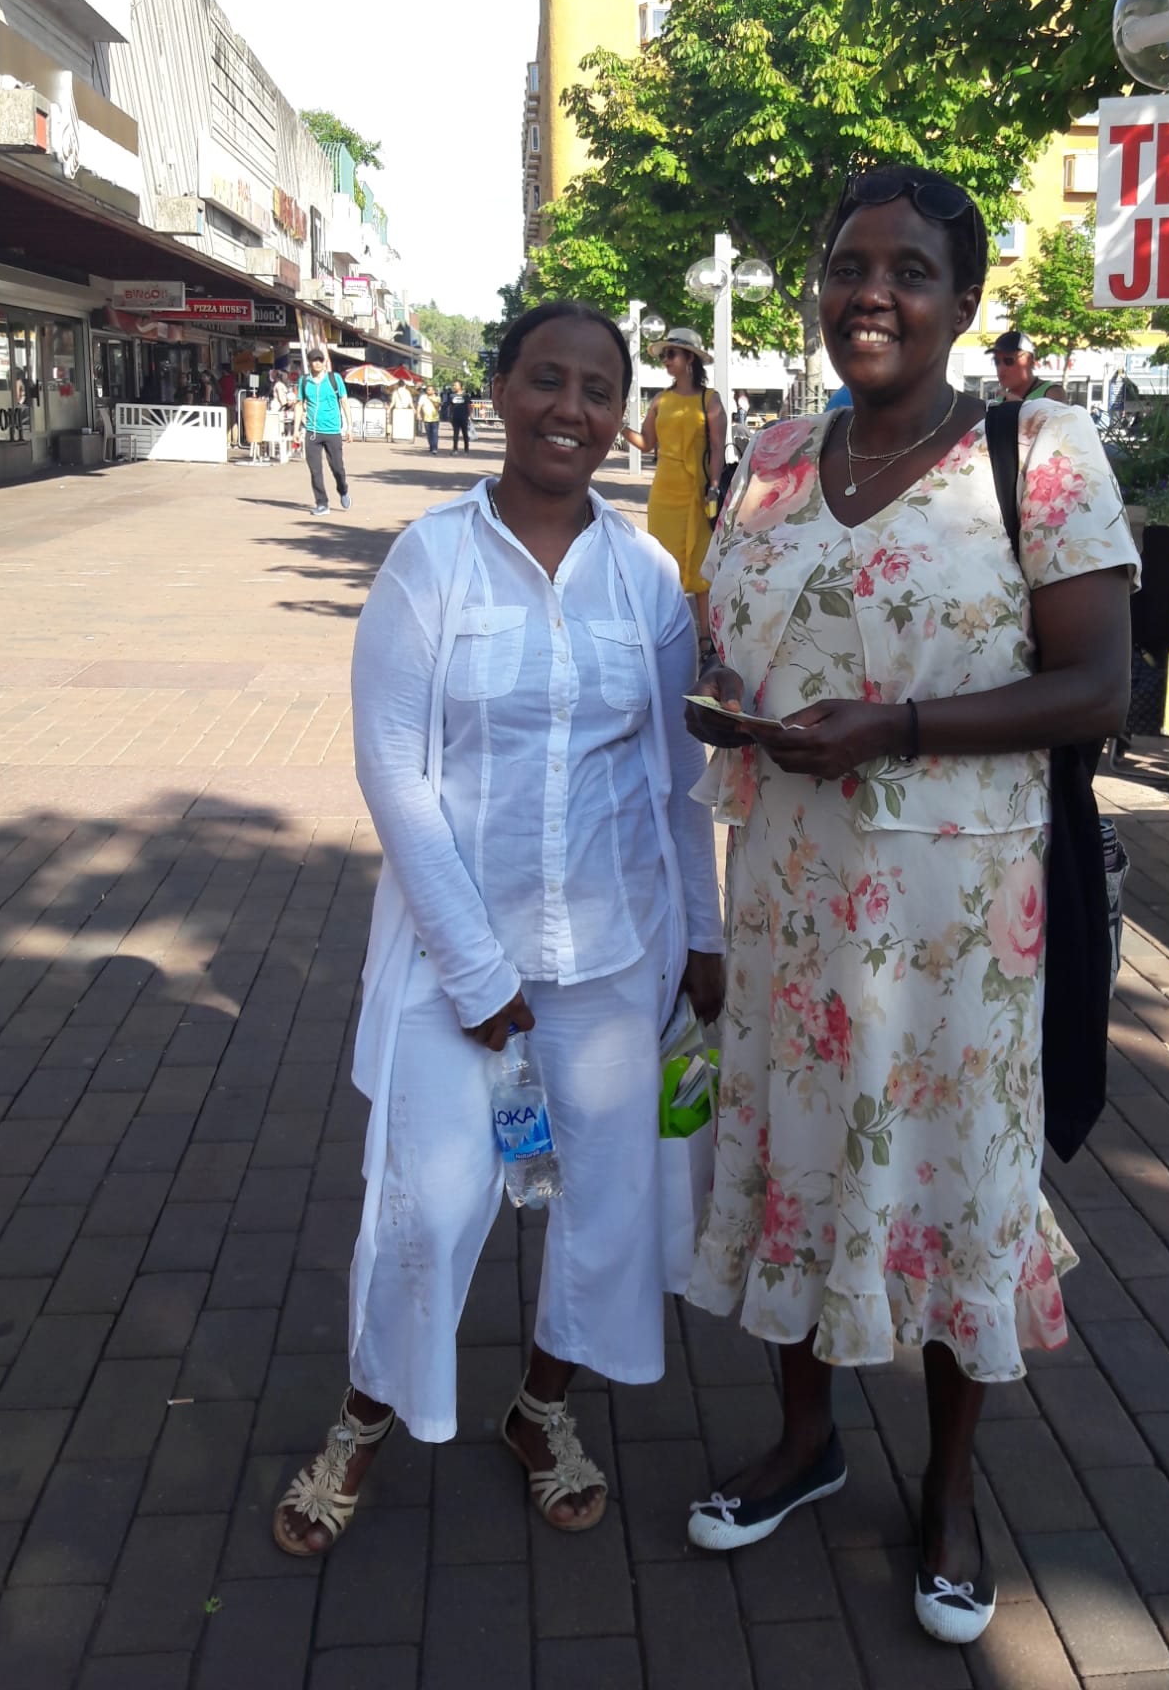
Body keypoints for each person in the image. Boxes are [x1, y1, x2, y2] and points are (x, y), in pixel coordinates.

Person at [681, 164, 1135, 1645]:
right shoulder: (765, 455)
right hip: (795, 897)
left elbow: (1097, 688)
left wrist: (901, 729)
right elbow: (734, 619)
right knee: (796, 1163)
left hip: (956, 921)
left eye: (909, 271)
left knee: (952, 1183)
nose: (869, 292)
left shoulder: (1038, 450)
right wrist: (734, 698)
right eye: (847, 264)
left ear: (961, 300)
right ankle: (806, 1443)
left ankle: (947, 1492)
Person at [271, 300, 723, 1558]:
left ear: (622, 411)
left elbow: (679, 775)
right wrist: (475, 971)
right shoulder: (431, 559)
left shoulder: (646, 579)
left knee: (609, 1203)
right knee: (427, 1202)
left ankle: (540, 1410)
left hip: (616, 956)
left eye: (597, 389)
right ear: (503, 388)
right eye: (546, 381)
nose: (571, 409)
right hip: (451, 957)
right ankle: (363, 1418)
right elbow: (395, 775)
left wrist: (705, 936)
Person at [620, 325, 727, 659]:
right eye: (665, 354)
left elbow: (717, 447)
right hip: (664, 490)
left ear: (690, 359)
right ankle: (664, 630)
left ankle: (706, 637)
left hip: (696, 490)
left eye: (671, 354)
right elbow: (647, 442)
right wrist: (619, 427)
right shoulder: (661, 400)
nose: (666, 360)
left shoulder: (709, 400)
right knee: (662, 560)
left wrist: (713, 487)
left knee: (699, 561)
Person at [298, 350, 352, 516]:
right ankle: (322, 503)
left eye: (320, 360)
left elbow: (344, 401)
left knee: (337, 468)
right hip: (312, 431)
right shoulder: (305, 381)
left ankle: (343, 489)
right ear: (309, 362)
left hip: (332, 431)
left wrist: (349, 427)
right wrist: (295, 430)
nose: (317, 363)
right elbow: (300, 404)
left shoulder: (334, 379)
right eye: (314, 360)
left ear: (325, 361)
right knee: (315, 470)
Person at [992, 328, 1067, 405]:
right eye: (996, 361)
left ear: (1029, 360)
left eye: (1009, 361)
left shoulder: (1052, 393)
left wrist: (1021, 406)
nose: (1001, 368)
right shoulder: (999, 400)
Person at [416, 383, 441, 454]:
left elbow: (437, 407)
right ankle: (431, 446)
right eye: (427, 390)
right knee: (429, 434)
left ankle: (435, 448)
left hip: (435, 419)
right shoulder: (423, 397)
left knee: (435, 434)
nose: (428, 391)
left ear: (433, 391)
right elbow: (419, 405)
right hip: (426, 418)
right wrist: (418, 414)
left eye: (430, 390)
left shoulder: (437, 397)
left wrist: (431, 400)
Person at [449, 380, 472, 453]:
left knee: (465, 433)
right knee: (455, 434)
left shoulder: (465, 395)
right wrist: (450, 415)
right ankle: (455, 449)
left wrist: (470, 415)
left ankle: (466, 449)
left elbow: (469, 406)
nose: (454, 386)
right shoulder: (452, 396)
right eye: (453, 385)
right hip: (455, 417)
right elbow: (450, 406)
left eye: (455, 385)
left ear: (460, 386)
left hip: (464, 417)